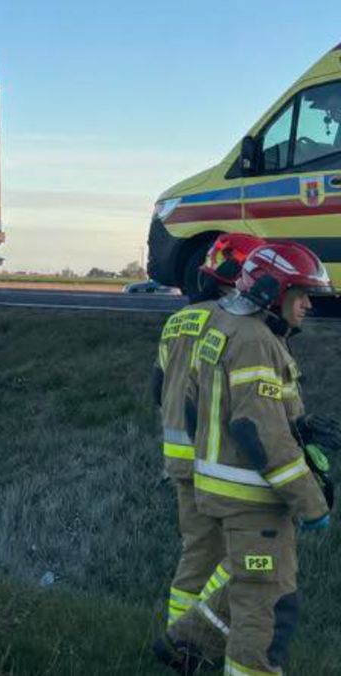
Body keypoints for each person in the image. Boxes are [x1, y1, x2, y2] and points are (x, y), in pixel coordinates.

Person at [162, 241, 337, 676]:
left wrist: (298, 426)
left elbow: (194, 407)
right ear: (273, 292)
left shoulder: (223, 326)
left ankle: (184, 644)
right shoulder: (257, 340)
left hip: (221, 489)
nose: (308, 305)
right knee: (267, 609)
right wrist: (309, 502)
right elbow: (258, 431)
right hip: (254, 499)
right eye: (301, 295)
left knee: (242, 582)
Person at [153, 234, 261, 637]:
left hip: (181, 460)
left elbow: (157, 386)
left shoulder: (177, 321)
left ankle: (181, 640)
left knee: (197, 553)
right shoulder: (236, 324)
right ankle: (203, 635)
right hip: (221, 460)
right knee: (248, 553)